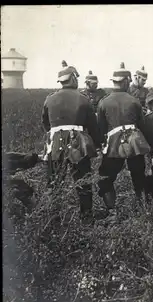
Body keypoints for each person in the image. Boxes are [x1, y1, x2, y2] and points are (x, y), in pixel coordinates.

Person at [41, 60, 100, 223]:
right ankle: (87, 218)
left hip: (55, 145)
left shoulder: (49, 99)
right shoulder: (83, 99)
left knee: (54, 183)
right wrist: (98, 143)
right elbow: (93, 126)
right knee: (83, 181)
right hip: (78, 145)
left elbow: (46, 124)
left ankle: (53, 218)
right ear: (73, 79)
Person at [96, 62, 153, 214]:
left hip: (114, 143)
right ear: (127, 81)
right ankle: (143, 208)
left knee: (106, 176)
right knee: (138, 175)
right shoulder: (134, 100)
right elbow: (142, 124)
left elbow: (100, 128)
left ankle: (111, 210)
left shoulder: (104, 101)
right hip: (134, 141)